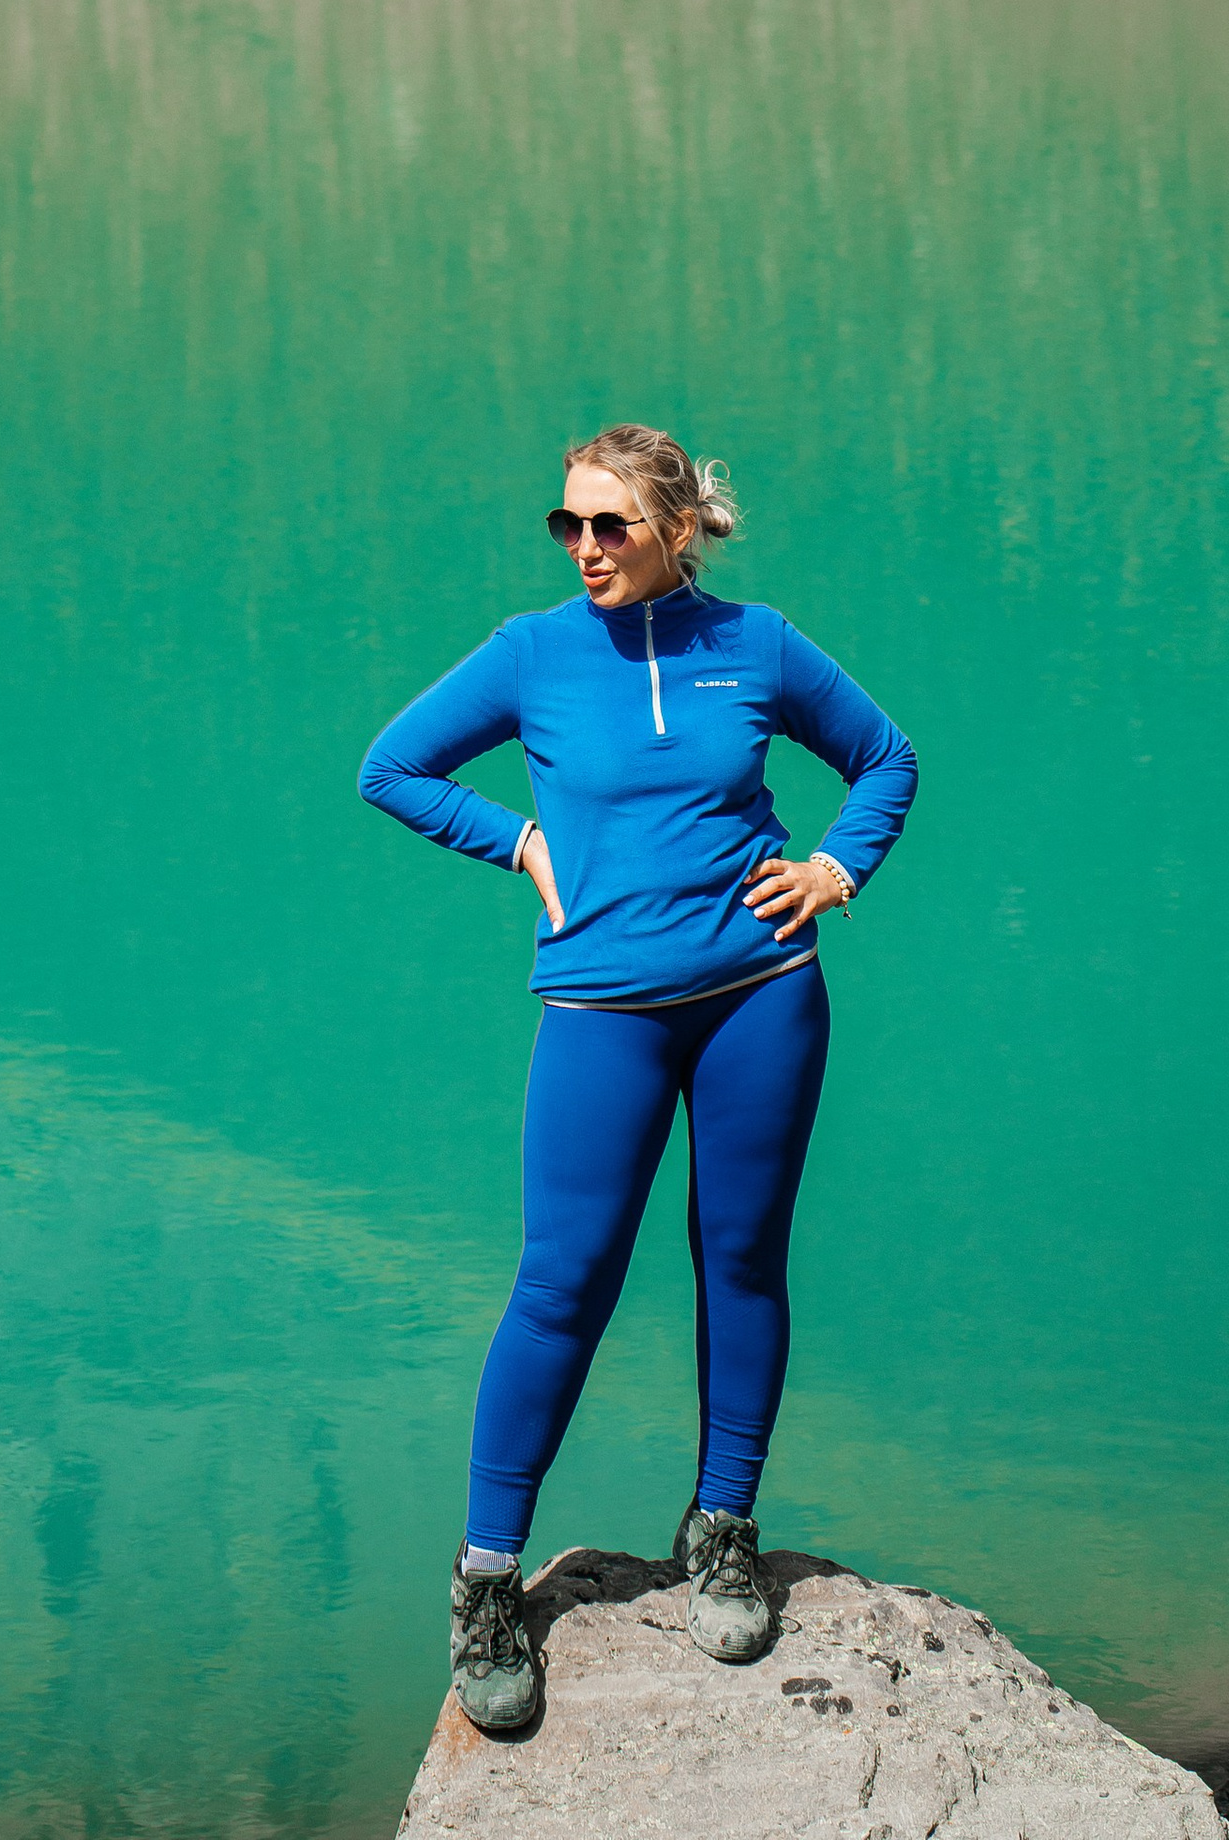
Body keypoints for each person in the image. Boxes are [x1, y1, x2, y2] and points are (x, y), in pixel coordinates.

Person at [358, 422, 916, 1729]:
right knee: (561, 1286)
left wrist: (835, 868)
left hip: (762, 998)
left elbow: (885, 758)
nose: (586, 548)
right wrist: (521, 845)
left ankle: (722, 1529)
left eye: (611, 524)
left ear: (676, 526)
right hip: (601, 1010)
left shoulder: (758, 647)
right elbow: (392, 769)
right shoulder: (534, 653)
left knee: (743, 1262)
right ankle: (487, 1582)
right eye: (569, 524)